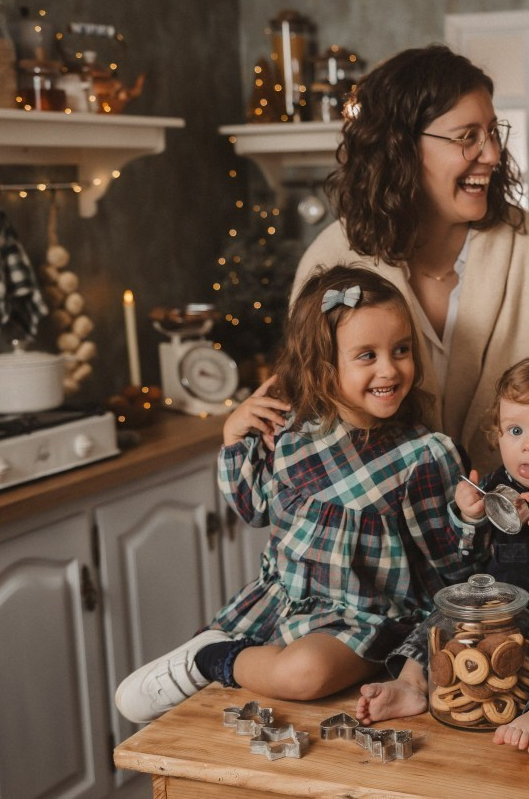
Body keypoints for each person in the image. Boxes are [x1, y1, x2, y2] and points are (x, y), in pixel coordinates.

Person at [115, 265, 480, 723]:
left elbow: (447, 566)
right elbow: (253, 509)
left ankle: (209, 660)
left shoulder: (424, 455)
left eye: (401, 350)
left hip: (366, 617)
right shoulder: (292, 433)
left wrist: (468, 522)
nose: (390, 368)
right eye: (366, 355)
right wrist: (233, 438)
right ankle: (218, 651)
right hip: (280, 600)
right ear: (323, 366)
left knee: (305, 674)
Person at [291, 44, 529, 474]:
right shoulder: (331, 259)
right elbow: (304, 407)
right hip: (378, 532)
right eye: (467, 137)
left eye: (492, 132)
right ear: (401, 148)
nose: (492, 154)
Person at [355, 355, 529, 755]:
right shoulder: (493, 486)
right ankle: (411, 686)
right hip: (497, 618)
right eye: (515, 430)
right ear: (497, 432)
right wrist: (469, 519)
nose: (528, 445)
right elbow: (466, 564)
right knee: (437, 624)